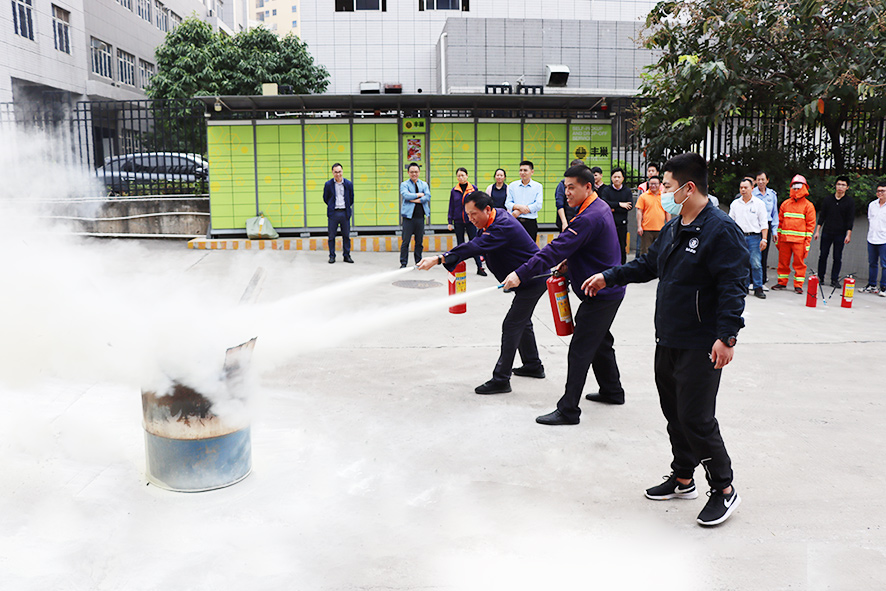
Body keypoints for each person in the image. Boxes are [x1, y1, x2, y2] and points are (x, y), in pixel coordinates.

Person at [583, 153, 747, 527]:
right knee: (674, 413)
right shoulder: (674, 227)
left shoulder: (721, 230)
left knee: (696, 418)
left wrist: (727, 336)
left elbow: (732, 286)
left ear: (689, 188)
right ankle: (683, 477)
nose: (663, 193)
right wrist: (609, 276)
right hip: (668, 336)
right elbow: (648, 265)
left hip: (701, 341)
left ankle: (724, 488)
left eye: (668, 186)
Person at [501, 164, 625, 425]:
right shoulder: (597, 207)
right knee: (601, 341)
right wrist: (572, 262)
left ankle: (568, 410)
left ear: (588, 187)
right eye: (565, 187)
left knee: (580, 349)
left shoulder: (588, 217)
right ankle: (612, 391)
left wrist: (520, 274)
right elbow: (588, 246)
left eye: (571, 187)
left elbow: (553, 250)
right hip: (607, 288)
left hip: (602, 293)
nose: (566, 192)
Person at [417, 191, 547, 393]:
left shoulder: (502, 226)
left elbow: (475, 246)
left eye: (473, 214)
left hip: (533, 279)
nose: (470, 219)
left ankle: (501, 379)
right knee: (522, 322)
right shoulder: (491, 220)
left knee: (512, 325)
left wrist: (439, 258)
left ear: (487, 209)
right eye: (467, 214)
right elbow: (475, 245)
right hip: (523, 279)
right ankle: (533, 365)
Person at [772, 174, 816, 294]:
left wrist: (807, 243)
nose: (796, 190)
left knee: (799, 264)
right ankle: (782, 282)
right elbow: (780, 223)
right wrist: (778, 239)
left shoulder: (808, 206)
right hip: (785, 240)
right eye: (794, 187)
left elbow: (810, 226)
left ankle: (798, 285)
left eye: (798, 188)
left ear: (804, 188)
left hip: (799, 241)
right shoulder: (785, 204)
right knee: (783, 263)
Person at [729, 178, 769, 299]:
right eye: (741, 187)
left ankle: (758, 287)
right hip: (739, 237)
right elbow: (731, 222)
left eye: (745, 187)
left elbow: (764, 223)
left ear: (752, 188)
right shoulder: (735, 204)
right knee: (741, 263)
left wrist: (764, 239)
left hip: (754, 237)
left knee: (756, 263)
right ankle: (743, 286)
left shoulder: (759, 204)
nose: (743, 190)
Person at [814, 176, 854, 288]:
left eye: (843, 185)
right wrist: (817, 231)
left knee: (837, 257)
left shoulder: (849, 202)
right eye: (839, 184)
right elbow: (822, 216)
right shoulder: (828, 199)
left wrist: (848, 235)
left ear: (847, 187)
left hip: (840, 233)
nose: (840, 187)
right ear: (835, 186)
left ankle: (834, 279)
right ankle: (820, 277)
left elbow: (850, 219)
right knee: (823, 255)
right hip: (827, 231)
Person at [447, 167, 486, 276]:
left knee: (474, 244)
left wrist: (479, 219)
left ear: (467, 176)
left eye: (462, 175)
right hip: (458, 221)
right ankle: (459, 267)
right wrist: (450, 221)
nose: (461, 177)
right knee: (460, 245)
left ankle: (480, 267)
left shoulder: (473, 189)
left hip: (471, 221)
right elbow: (451, 206)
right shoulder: (454, 190)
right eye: (458, 176)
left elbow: (478, 205)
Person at [399, 162, 431, 268]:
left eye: (416, 172)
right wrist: (419, 195)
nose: (414, 174)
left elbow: (428, 196)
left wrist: (416, 200)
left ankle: (418, 262)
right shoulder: (404, 184)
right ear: (408, 173)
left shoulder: (424, 184)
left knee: (419, 242)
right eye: (412, 172)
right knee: (405, 241)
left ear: (419, 172)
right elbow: (406, 195)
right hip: (408, 218)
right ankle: (403, 263)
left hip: (420, 217)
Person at [323, 163, 355, 264]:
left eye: (339, 172)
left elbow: (351, 198)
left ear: (342, 171)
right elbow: (326, 198)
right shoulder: (328, 184)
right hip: (333, 213)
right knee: (331, 236)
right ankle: (332, 256)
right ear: (332, 173)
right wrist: (332, 206)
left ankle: (347, 255)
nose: (338, 174)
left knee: (346, 236)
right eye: (336, 172)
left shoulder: (348, 184)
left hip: (345, 212)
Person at [600, 167, 633, 264]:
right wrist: (620, 204)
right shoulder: (606, 190)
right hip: (609, 224)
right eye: (615, 177)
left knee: (622, 246)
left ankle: (622, 266)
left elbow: (629, 206)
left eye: (619, 177)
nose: (617, 179)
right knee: (609, 246)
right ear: (611, 178)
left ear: (623, 178)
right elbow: (604, 203)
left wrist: (613, 208)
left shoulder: (627, 191)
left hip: (622, 224)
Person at [506, 160, 543, 241]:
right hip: (515, 221)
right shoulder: (512, 185)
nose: (522, 173)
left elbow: (538, 205)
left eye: (525, 170)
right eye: (520, 170)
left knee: (530, 246)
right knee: (514, 245)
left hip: (530, 222)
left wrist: (519, 211)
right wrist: (520, 207)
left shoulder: (538, 186)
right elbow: (508, 203)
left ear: (532, 172)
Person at [752, 171, 779, 289]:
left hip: (766, 226)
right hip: (754, 226)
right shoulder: (752, 193)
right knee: (753, 253)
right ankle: (751, 280)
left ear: (767, 180)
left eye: (763, 179)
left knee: (763, 254)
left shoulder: (772, 195)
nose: (761, 182)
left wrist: (774, 231)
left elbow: (774, 213)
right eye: (758, 179)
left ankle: (761, 281)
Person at [635, 175, 670, 255]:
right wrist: (639, 226)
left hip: (661, 229)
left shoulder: (664, 196)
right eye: (651, 184)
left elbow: (667, 212)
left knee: (659, 252)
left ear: (660, 184)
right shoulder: (643, 196)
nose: (653, 186)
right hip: (646, 229)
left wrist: (668, 225)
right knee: (645, 252)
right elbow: (639, 212)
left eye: (655, 184)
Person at [862, 180, 886, 295]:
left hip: (884, 239)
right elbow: (870, 219)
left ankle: (884, 287)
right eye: (878, 191)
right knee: (872, 263)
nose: (880, 193)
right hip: (872, 238)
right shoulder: (872, 205)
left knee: (884, 264)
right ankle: (872, 285)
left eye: (883, 191)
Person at [554, 159, 586, 232]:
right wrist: (564, 222)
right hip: (567, 220)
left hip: (581, 221)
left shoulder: (585, 184)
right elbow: (559, 204)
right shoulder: (563, 184)